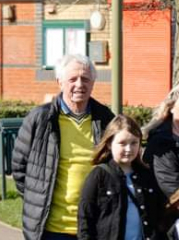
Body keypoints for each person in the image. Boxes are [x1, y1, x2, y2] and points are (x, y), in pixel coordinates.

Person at [12, 53, 115, 240]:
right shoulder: (40, 118)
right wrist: (37, 199)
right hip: (51, 228)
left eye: (85, 79)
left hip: (94, 226)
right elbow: (19, 168)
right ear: (60, 82)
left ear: (93, 83)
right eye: (72, 79)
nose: (79, 84)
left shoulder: (106, 118)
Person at [77, 115, 165, 240]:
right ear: (109, 144)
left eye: (134, 143)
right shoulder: (98, 175)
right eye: (122, 143)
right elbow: (85, 220)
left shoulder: (147, 175)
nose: (129, 149)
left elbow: (158, 216)